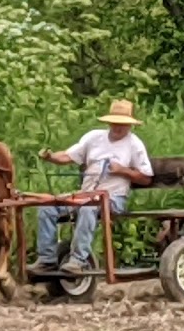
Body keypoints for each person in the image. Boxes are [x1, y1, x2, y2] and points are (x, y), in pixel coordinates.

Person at [32, 100, 154, 275]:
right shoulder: (94, 138)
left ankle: (78, 260)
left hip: (113, 198)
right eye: (115, 123)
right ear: (109, 122)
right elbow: (67, 156)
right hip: (86, 194)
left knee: (89, 208)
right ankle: (47, 259)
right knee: (47, 207)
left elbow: (146, 178)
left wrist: (123, 170)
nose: (118, 127)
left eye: (122, 124)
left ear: (129, 125)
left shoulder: (134, 144)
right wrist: (51, 157)